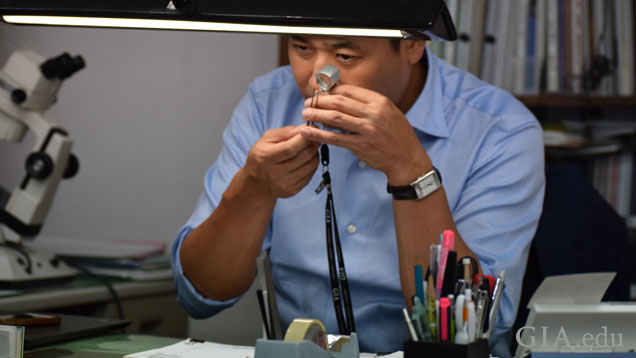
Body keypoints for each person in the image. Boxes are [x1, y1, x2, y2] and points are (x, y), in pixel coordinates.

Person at [171, 35, 545, 356]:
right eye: (301, 47)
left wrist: (411, 170)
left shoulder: (502, 130)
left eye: (345, 57)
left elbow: (476, 327)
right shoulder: (267, 102)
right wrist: (252, 189)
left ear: (413, 44)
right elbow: (201, 293)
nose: (319, 76)